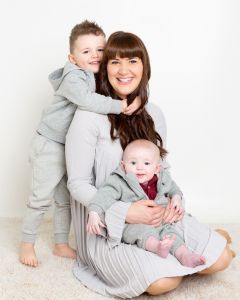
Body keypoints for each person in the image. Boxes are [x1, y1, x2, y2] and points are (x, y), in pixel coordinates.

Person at [65, 31, 234, 298]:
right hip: (108, 226)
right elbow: (77, 184)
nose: (124, 70)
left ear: (144, 67)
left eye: (133, 61)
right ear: (104, 68)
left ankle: (203, 240)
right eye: (115, 62)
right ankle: (182, 251)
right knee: (164, 282)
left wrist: (175, 198)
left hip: (158, 215)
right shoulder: (88, 117)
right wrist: (126, 211)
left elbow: (162, 169)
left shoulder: (154, 113)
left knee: (222, 259)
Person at [19, 21, 140, 268]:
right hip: (50, 144)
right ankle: (27, 242)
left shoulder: (93, 76)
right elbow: (87, 101)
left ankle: (61, 243)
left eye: (100, 50)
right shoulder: (74, 76)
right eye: (86, 52)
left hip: (67, 145)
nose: (95, 56)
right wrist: (120, 106)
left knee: (64, 199)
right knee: (40, 198)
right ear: (72, 57)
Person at [87, 139, 206, 268]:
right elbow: (103, 195)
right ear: (123, 165)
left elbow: (174, 188)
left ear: (156, 168)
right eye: (133, 162)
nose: (139, 167)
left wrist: (176, 197)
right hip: (134, 225)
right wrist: (94, 213)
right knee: (141, 232)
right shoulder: (119, 181)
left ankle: (185, 255)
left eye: (146, 163)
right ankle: (157, 247)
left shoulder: (163, 178)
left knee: (172, 235)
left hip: (160, 223)